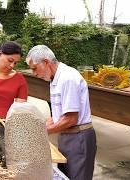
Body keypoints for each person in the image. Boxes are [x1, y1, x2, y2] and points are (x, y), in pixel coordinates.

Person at [26, 45, 96, 180]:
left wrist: (42, 133)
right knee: (65, 176)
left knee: (77, 177)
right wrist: (42, 126)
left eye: (35, 68)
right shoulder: (54, 78)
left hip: (78, 137)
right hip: (67, 136)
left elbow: (70, 119)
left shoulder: (68, 78)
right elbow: (59, 114)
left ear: (46, 62)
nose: (34, 73)